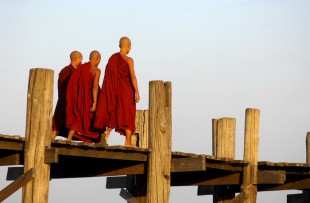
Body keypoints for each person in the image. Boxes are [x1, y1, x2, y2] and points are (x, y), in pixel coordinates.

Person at [94, 37, 140, 147]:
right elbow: (133, 77)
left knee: (115, 111)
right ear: (128, 46)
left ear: (120, 45)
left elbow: (108, 77)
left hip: (115, 91)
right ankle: (128, 142)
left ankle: (107, 132)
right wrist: (137, 91)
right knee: (128, 115)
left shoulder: (112, 58)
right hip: (127, 91)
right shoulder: (129, 60)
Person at [66, 50, 102, 142]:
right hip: (89, 98)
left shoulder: (81, 67)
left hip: (80, 98)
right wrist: (95, 102)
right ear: (98, 59)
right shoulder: (96, 70)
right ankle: (95, 140)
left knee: (78, 117)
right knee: (93, 119)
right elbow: (94, 87)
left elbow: (73, 83)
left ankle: (69, 138)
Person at [52, 51, 83, 140]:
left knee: (58, 123)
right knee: (60, 123)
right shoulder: (69, 72)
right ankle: (68, 139)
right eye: (80, 59)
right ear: (76, 59)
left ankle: (52, 139)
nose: (81, 62)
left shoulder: (64, 70)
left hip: (62, 100)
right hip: (68, 101)